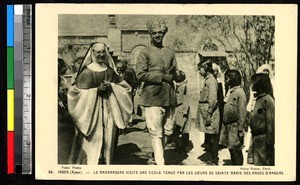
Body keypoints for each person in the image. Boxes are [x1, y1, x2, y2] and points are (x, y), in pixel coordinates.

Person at [67, 42, 132, 165]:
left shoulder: (110, 70)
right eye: (98, 52)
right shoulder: (87, 71)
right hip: (92, 113)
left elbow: (126, 88)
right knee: (93, 141)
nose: (101, 54)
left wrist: (112, 86)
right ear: (93, 53)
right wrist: (96, 90)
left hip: (109, 110)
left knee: (109, 138)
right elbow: (74, 92)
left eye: (103, 52)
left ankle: (107, 163)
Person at [136, 18, 185, 165]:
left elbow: (176, 71)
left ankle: (158, 155)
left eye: (160, 33)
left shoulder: (169, 52)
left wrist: (179, 75)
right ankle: (160, 164)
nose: (158, 35)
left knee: (169, 129)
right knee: (156, 132)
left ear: (164, 34)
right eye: (155, 33)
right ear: (151, 34)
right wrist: (162, 77)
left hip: (169, 97)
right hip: (152, 97)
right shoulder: (144, 52)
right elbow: (140, 74)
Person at [219, 70, 246, 165]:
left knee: (236, 150)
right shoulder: (230, 91)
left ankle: (238, 169)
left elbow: (242, 112)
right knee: (231, 149)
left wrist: (240, 129)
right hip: (228, 126)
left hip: (235, 127)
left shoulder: (240, 93)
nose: (225, 80)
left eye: (226, 78)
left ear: (233, 79)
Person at [196, 60, 219, 165]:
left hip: (209, 112)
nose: (199, 71)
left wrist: (209, 114)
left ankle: (215, 160)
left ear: (205, 68)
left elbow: (213, 99)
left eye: (200, 69)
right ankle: (211, 158)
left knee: (212, 136)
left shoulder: (211, 81)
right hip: (205, 111)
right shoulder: (207, 80)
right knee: (209, 136)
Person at [249, 73, 275, 166]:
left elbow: (270, 123)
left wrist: (270, 141)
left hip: (264, 141)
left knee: (264, 164)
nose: (251, 85)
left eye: (253, 83)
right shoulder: (258, 99)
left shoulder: (268, 100)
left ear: (260, 85)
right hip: (256, 139)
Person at [174, 79, 191, 152]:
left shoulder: (185, 87)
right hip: (178, 109)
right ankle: (178, 146)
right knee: (177, 129)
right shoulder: (177, 86)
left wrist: (185, 111)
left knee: (184, 129)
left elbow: (186, 99)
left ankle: (184, 147)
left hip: (183, 110)